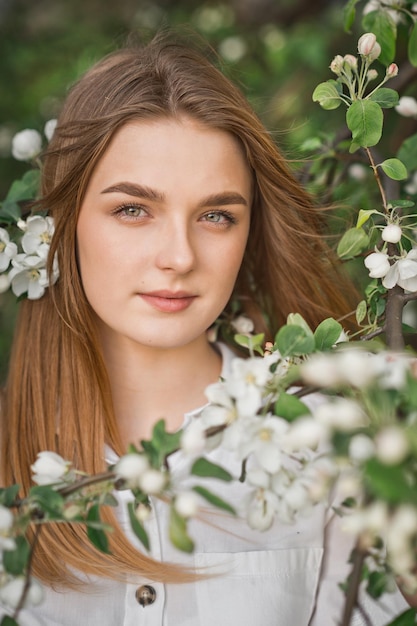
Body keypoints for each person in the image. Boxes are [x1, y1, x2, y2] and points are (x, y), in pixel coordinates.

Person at [0, 31, 412, 626]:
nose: (179, 256)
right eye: (133, 209)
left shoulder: (328, 441)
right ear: (65, 222)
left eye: (215, 216)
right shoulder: (13, 460)